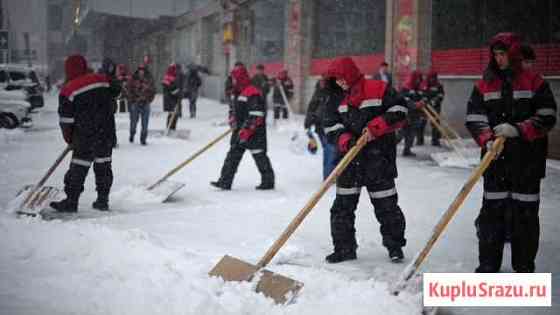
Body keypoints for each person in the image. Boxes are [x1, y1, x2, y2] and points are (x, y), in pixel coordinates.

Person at [465, 32, 557, 273]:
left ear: (514, 54)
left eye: (503, 54)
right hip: (495, 162)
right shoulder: (484, 83)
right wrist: (486, 140)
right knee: (491, 215)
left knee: (524, 216)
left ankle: (524, 266)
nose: (499, 59)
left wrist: (518, 130)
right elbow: (475, 117)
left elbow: (547, 116)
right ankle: (488, 265)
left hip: (527, 162)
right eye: (495, 54)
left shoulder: (535, 82)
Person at [323, 57, 409, 263]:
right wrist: (344, 139)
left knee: (387, 205)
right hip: (349, 160)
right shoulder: (335, 98)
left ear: (351, 74)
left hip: (378, 159)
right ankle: (344, 248)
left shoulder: (378, 88)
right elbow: (329, 125)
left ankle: (395, 246)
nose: (340, 83)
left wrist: (377, 126)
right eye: (336, 80)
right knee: (342, 207)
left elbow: (401, 110)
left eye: (342, 78)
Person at [50, 54, 119, 212]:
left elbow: (66, 120)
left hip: (84, 136)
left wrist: (69, 139)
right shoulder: (101, 79)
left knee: (78, 168)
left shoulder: (68, 90)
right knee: (104, 166)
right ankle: (103, 200)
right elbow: (117, 90)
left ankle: (71, 201)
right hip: (105, 133)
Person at [211, 64, 275, 190]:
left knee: (260, 156)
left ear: (241, 78)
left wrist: (247, 129)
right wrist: (232, 119)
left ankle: (268, 182)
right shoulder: (236, 92)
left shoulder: (252, 92)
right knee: (233, 155)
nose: (233, 81)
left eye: (235, 78)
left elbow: (257, 114)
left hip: (255, 131)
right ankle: (225, 181)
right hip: (239, 130)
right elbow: (233, 109)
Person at [304, 74, 343, 179]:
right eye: (320, 80)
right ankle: (329, 176)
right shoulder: (318, 92)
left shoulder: (335, 93)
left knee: (332, 150)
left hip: (333, 125)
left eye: (324, 80)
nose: (321, 82)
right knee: (329, 149)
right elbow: (311, 107)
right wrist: (308, 123)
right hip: (321, 126)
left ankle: (332, 175)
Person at [399, 70, 427, 155]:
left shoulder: (419, 88)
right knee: (401, 134)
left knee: (412, 133)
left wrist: (423, 101)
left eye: (419, 79)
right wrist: (414, 104)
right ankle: (387, 149)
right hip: (407, 114)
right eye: (417, 78)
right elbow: (403, 100)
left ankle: (407, 150)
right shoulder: (406, 87)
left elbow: (423, 97)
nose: (418, 80)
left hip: (416, 115)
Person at [127, 64, 155, 145]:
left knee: (145, 123)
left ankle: (143, 139)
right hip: (135, 103)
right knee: (133, 122)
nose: (141, 71)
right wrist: (132, 100)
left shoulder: (149, 79)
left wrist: (149, 99)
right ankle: (132, 134)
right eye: (140, 69)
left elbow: (153, 90)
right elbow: (129, 90)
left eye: (143, 69)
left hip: (145, 103)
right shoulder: (133, 79)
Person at [98, 57, 120, 148]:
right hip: (102, 106)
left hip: (109, 106)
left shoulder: (112, 77)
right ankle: (105, 141)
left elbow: (117, 90)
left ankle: (111, 141)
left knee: (110, 125)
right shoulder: (101, 77)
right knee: (104, 126)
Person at [421, 70, 445, 146]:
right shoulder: (425, 84)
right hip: (425, 107)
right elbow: (422, 93)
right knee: (422, 122)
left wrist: (435, 100)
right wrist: (425, 100)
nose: (432, 79)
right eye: (430, 77)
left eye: (433, 78)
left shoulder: (439, 85)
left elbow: (441, 95)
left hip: (435, 106)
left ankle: (435, 140)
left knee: (435, 123)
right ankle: (420, 139)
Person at [162, 64, 182, 130]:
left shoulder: (176, 77)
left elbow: (177, 87)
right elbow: (169, 88)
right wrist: (177, 91)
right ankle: (169, 128)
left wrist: (179, 92)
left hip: (175, 99)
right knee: (172, 114)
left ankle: (173, 128)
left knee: (175, 115)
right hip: (170, 99)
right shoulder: (168, 77)